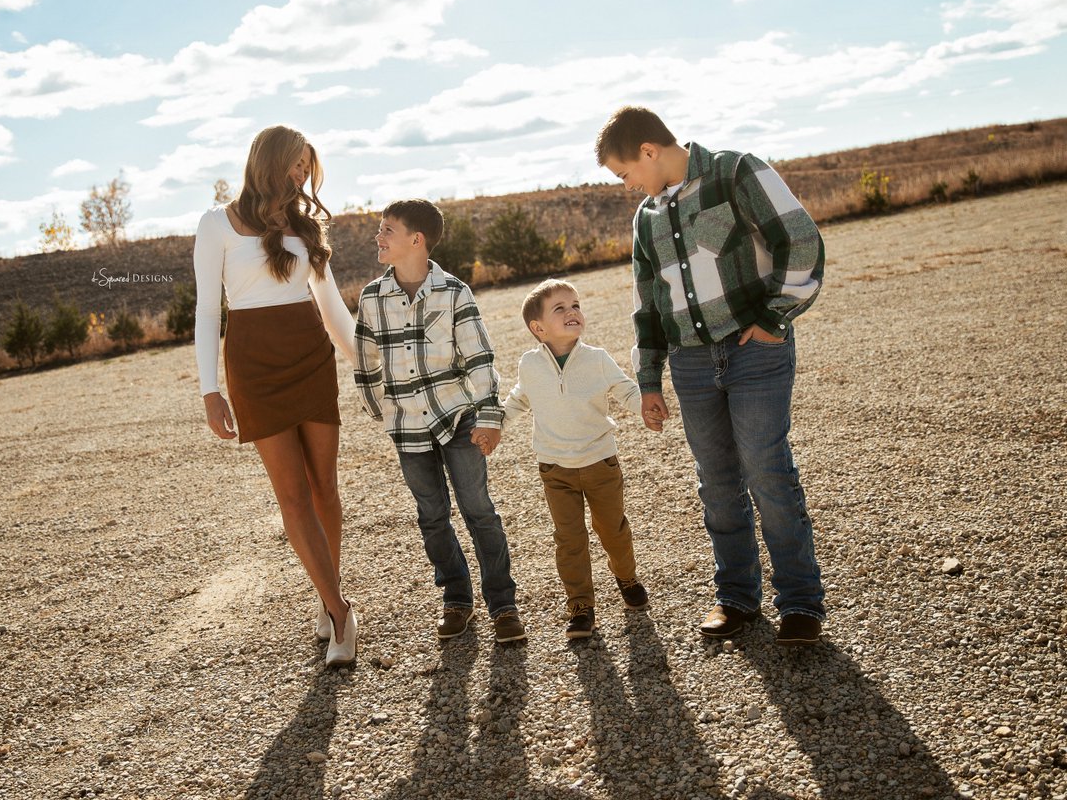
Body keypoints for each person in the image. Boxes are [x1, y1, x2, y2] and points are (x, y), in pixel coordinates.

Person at [595, 105, 827, 646]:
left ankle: (800, 604)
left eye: (626, 173)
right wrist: (648, 379)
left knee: (767, 471)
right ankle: (737, 599)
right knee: (717, 483)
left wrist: (775, 317)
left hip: (755, 352)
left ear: (649, 151)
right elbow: (647, 303)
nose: (628, 186)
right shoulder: (647, 218)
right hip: (692, 363)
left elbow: (802, 240)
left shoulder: (737, 171)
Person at [193, 125, 359, 667]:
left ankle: (325, 592)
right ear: (266, 162)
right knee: (291, 494)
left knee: (324, 486)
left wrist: (366, 362)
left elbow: (331, 305)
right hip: (253, 362)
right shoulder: (216, 224)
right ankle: (338, 610)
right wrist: (210, 390)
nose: (299, 178)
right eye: (292, 167)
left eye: (305, 169)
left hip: (310, 354)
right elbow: (206, 311)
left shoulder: (307, 226)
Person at [353, 199, 525, 644]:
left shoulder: (454, 292)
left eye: (387, 229)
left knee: (479, 511)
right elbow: (365, 361)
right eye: (380, 229)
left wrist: (489, 416)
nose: (379, 236)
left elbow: (479, 358)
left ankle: (503, 606)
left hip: (458, 419)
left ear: (417, 239)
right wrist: (383, 411)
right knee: (432, 516)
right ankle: (456, 600)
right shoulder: (373, 297)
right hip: (407, 428)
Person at [503, 278, 650, 640]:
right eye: (561, 308)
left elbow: (625, 387)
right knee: (569, 538)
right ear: (538, 328)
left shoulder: (597, 359)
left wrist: (646, 406)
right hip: (555, 468)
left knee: (612, 529)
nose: (573, 312)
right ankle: (581, 606)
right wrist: (494, 424)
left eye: (576, 305)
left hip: (600, 462)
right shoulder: (530, 364)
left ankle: (626, 576)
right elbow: (519, 398)